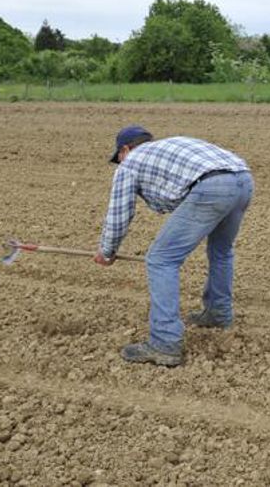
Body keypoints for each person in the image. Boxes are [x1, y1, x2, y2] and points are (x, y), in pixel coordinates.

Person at [94, 125, 254, 367]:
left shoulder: (130, 162)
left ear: (125, 150)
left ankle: (165, 342)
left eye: (118, 158)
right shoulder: (166, 148)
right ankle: (218, 313)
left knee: (160, 259)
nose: (120, 163)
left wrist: (107, 251)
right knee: (221, 251)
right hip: (243, 178)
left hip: (212, 186)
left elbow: (120, 213)